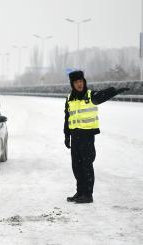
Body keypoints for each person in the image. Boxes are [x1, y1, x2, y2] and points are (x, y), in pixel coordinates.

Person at [64, 70, 129, 204]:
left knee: (86, 165)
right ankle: (80, 192)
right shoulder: (69, 98)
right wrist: (67, 136)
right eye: (76, 82)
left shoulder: (90, 95)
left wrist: (114, 90)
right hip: (75, 136)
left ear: (84, 82)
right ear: (72, 84)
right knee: (76, 166)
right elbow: (67, 118)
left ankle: (88, 194)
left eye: (81, 81)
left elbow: (103, 95)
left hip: (87, 137)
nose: (79, 84)